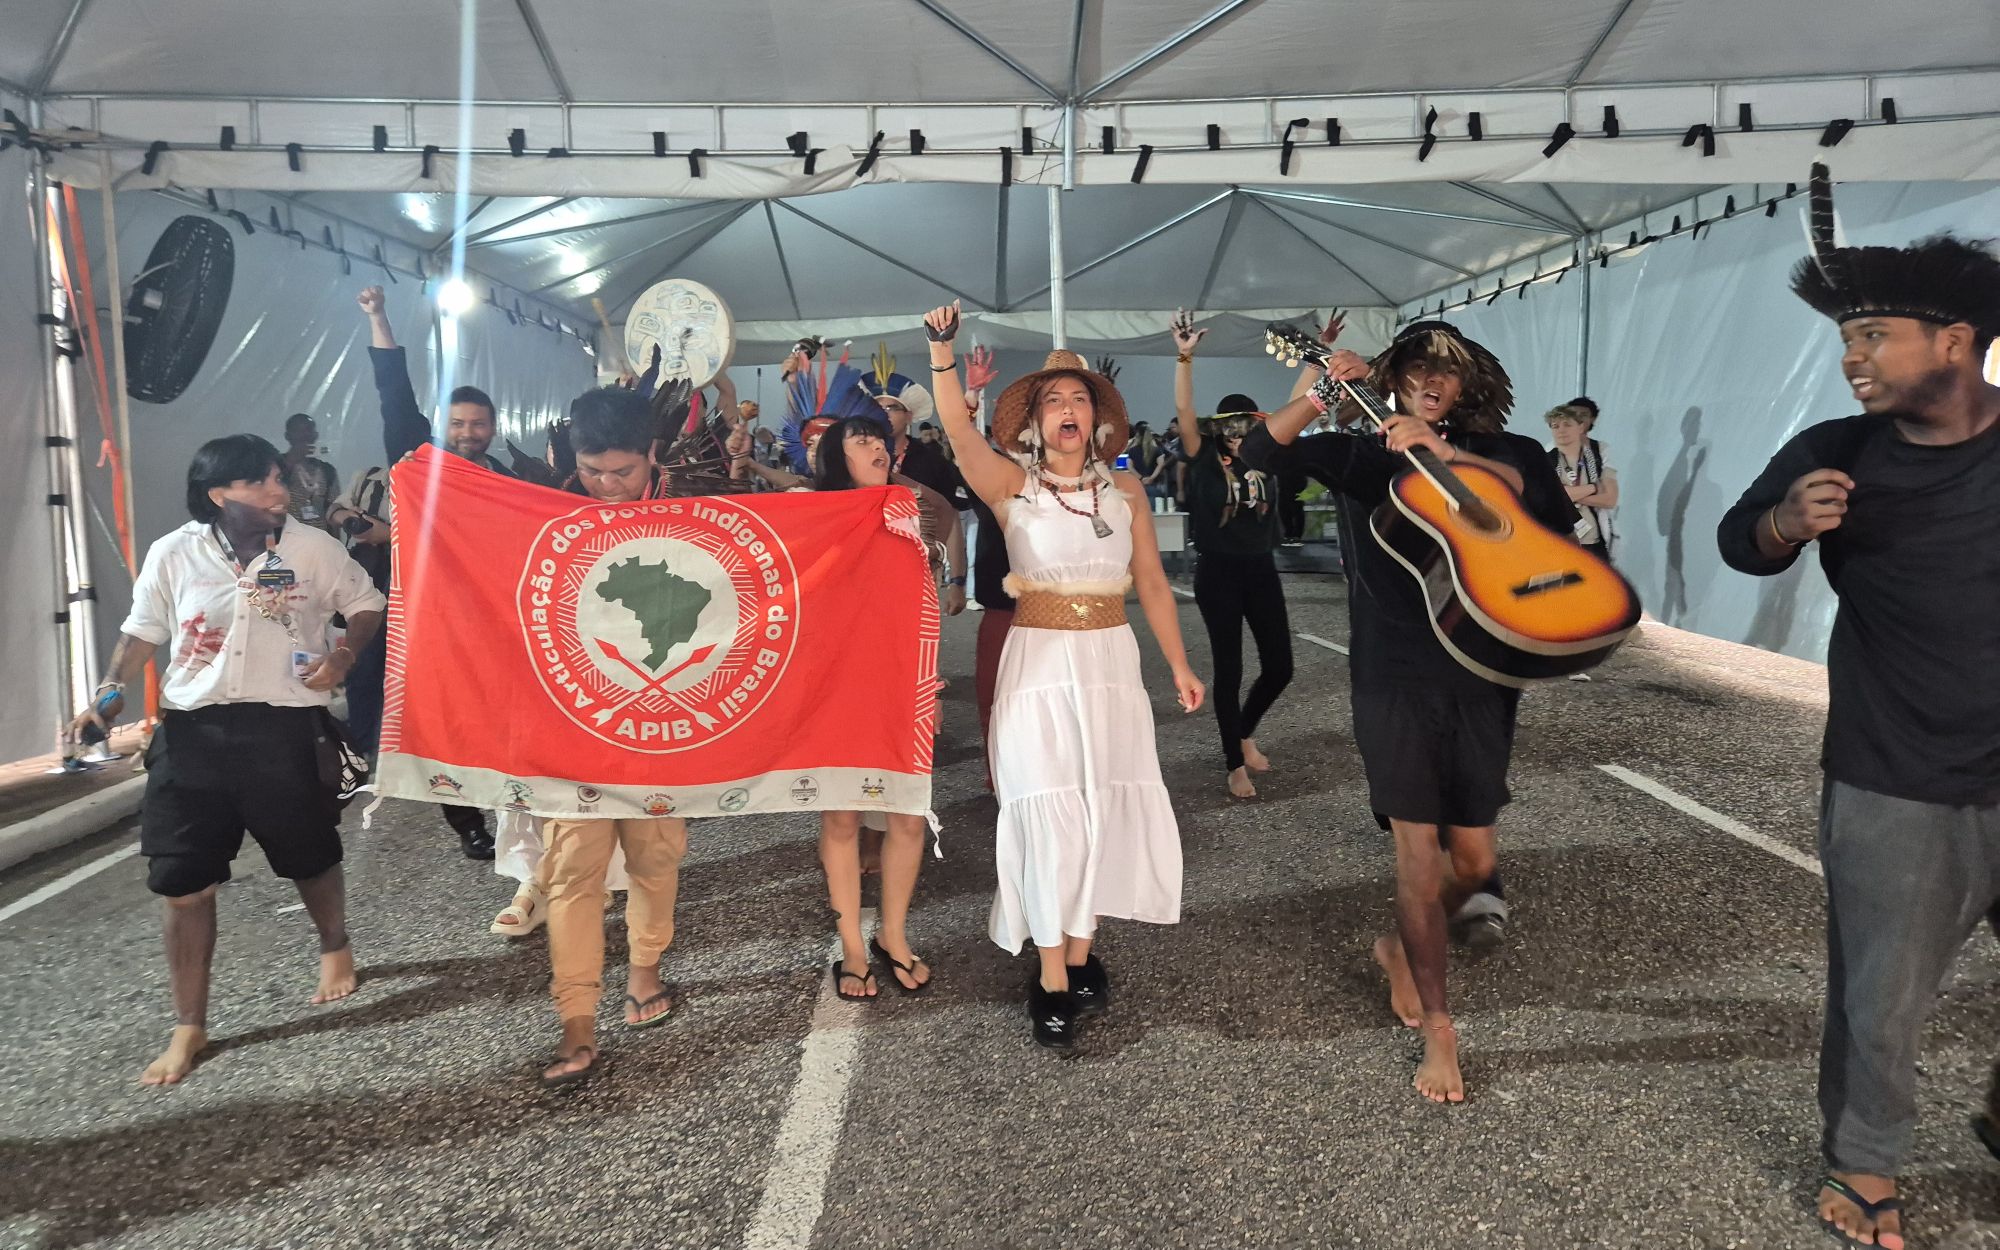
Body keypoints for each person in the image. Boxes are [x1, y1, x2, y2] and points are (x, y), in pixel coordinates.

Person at [1716, 218, 2000, 1249]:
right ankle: (1866, 1164)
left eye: (1872, 335)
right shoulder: (1831, 452)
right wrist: (1782, 522)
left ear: (1954, 341)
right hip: (1895, 774)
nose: (1850, 358)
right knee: (1878, 998)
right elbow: (1735, 541)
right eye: (1845, 339)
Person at [1239, 320, 1578, 1102]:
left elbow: (1557, 529)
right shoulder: (1366, 455)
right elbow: (1261, 455)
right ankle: (1440, 1027)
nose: (1433, 381)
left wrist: (1454, 458)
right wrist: (1325, 392)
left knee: (1475, 864)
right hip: (1393, 677)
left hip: (1484, 675)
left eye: (1449, 373)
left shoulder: (1512, 452)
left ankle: (1397, 947)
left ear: (1468, 387)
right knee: (1418, 857)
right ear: (1394, 377)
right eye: (1419, 368)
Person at [924, 301, 1204, 1050]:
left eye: (1080, 398)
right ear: (1035, 423)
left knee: (1100, 809)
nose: (1068, 408)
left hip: (1111, 666)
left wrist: (1178, 664)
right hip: (1038, 667)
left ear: (1099, 417)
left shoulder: (1127, 492)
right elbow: (955, 432)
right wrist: (942, 355)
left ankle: (1080, 959)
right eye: (1054, 400)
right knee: (1049, 809)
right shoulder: (1011, 486)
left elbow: (1149, 582)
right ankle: (1050, 977)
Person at [71, 434, 385, 1086]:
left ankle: (334, 944)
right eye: (263, 482)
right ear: (220, 494)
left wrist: (344, 657)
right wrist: (107, 697)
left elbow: (365, 603)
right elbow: (142, 633)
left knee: (309, 850)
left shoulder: (311, 548)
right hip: (192, 734)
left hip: (285, 726)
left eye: (280, 478)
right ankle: (189, 1025)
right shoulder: (174, 553)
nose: (281, 490)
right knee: (183, 883)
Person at [537, 388, 694, 1088]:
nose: (606, 487)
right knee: (572, 869)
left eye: (623, 472)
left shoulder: (696, 513)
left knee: (656, 855)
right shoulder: (543, 514)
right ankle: (576, 1016)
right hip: (569, 726)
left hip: (666, 723)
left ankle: (644, 969)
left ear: (652, 455)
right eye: (592, 471)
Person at [808, 415, 961, 1000]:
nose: (876, 445)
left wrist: (931, 686)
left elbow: (920, 606)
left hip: (902, 684)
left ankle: (892, 935)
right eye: (859, 440)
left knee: (905, 816)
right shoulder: (812, 516)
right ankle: (852, 948)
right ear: (833, 459)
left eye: (880, 438)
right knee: (842, 820)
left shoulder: (908, 512)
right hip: (833, 690)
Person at [358, 284, 512, 860]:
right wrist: (379, 317)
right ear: (440, 426)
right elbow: (392, 392)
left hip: (493, 618)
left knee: (497, 715)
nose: (468, 433)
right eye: (458, 423)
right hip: (426, 618)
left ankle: (518, 810)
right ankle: (467, 822)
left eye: (479, 424)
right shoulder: (418, 463)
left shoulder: (509, 480)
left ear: (493, 428)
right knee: (445, 720)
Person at [1170, 312, 1293, 800]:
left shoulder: (1267, 455)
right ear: (1220, 428)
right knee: (1230, 669)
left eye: (1247, 425)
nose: (1240, 434)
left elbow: (1296, 406)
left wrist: (1316, 362)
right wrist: (1185, 356)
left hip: (1261, 566)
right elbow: (1183, 409)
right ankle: (1231, 761)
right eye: (1232, 426)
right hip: (1218, 569)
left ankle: (1243, 732)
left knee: (1280, 666)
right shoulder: (1201, 453)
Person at [1547, 398, 1618, 560]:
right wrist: (1593, 487)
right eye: (1556, 426)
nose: (1562, 431)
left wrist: (1570, 494)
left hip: (1594, 536)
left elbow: (1609, 499)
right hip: (1561, 537)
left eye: (1568, 424)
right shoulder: (1548, 454)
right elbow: (1553, 497)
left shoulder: (1599, 451)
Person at [280, 414, 341, 532]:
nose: (305, 435)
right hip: (286, 541)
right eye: (298, 431)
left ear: (315, 435)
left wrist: (336, 544)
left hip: (321, 541)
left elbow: (334, 508)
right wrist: (293, 458)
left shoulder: (328, 470)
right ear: (287, 436)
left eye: (309, 430)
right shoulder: (275, 467)